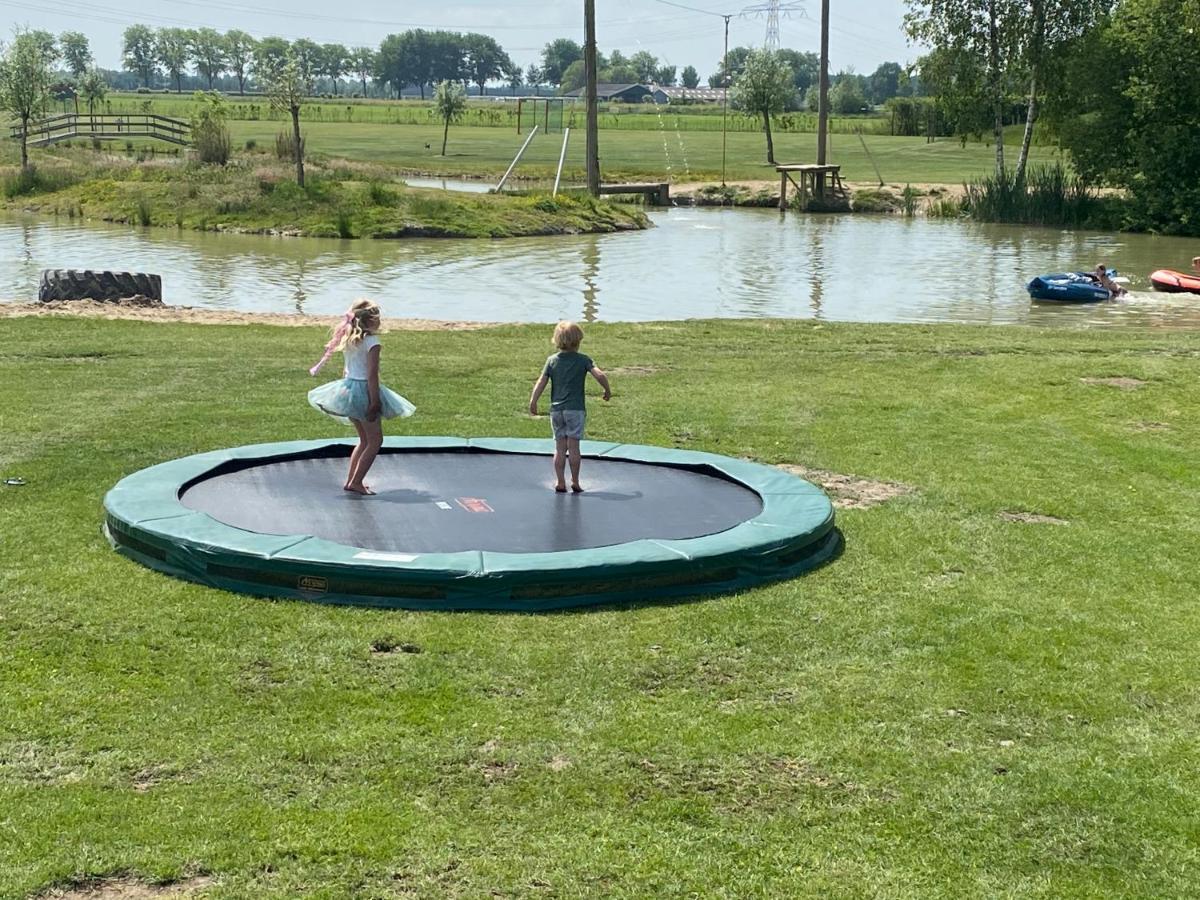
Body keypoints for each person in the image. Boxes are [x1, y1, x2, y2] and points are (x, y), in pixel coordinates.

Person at [308, 299, 415, 495]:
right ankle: (356, 481)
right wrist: (375, 401)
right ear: (371, 321)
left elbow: (347, 369)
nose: (380, 321)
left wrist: (344, 394)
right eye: (378, 318)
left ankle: (352, 480)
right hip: (364, 390)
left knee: (364, 440)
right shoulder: (373, 342)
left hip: (349, 389)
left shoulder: (350, 339)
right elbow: (372, 374)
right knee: (375, 440)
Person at [529, 320, 611, 493]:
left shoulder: (552, 361)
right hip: (576, 410)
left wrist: (534, 400)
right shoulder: (583, 360)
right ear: (578, 341)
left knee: (560, 448)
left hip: (557, 411)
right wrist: (607, 389)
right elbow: (599, 374)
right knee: (573, 447)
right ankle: (575, 481)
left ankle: (560, 481)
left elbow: (541, 382)